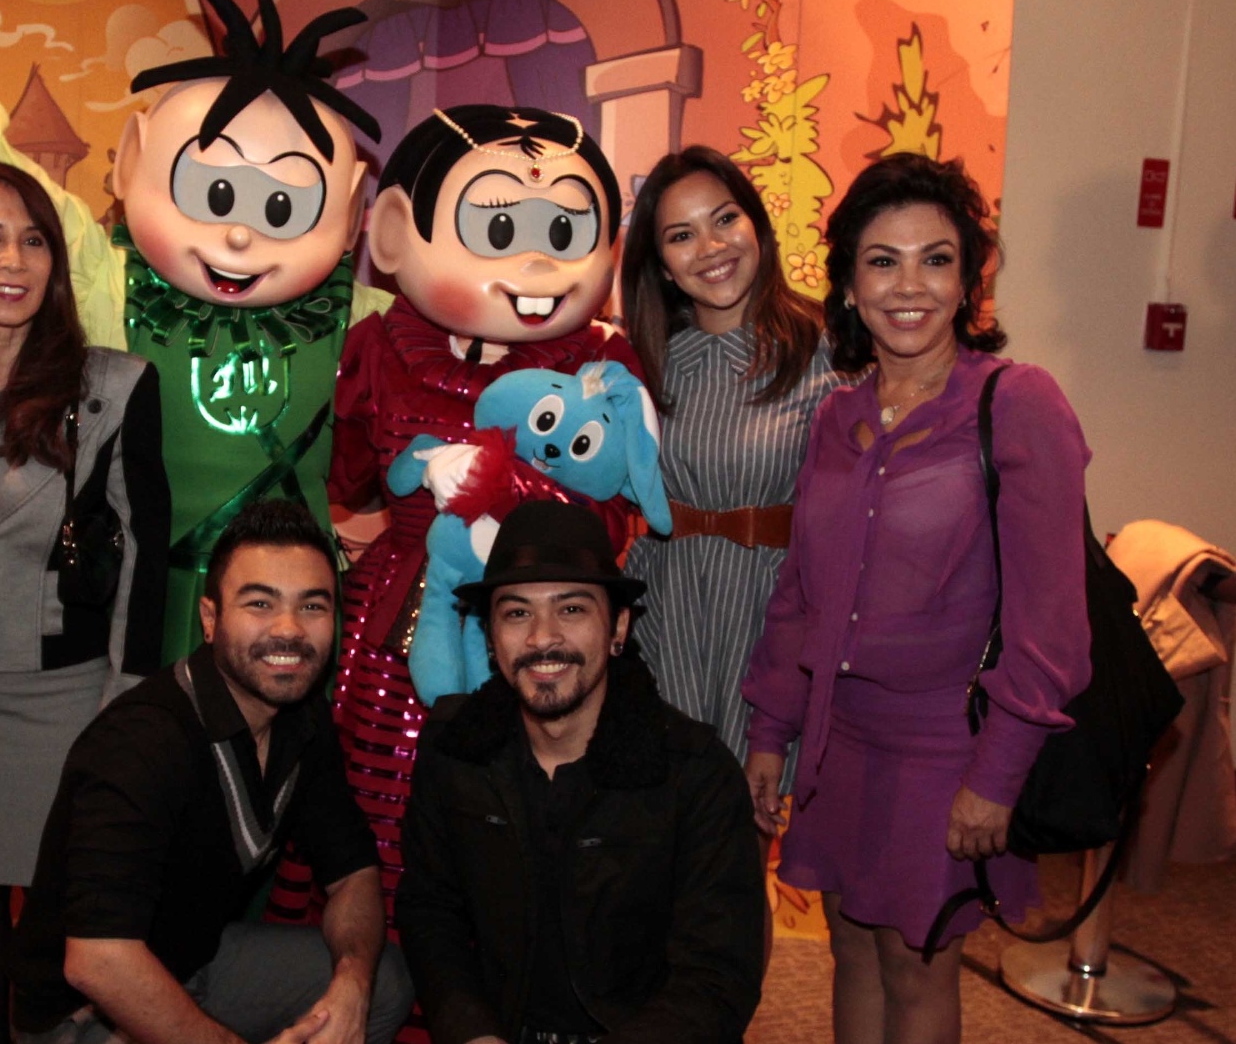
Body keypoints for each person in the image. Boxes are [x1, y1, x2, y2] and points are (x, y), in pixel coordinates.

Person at [0, 0, 393, 661]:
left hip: (292, 619)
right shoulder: (108, 284)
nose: (240, 235)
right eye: (215, 192)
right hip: (151, 605)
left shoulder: (361, 322)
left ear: (355, 214)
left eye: (280, 208)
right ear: (130, 161)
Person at [740, 153, 1092, 1043]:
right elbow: (799, 595)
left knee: (916, 963)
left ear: (969, 277)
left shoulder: (1016, 404)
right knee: (850, 948)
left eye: (936, 259)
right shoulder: (837, 416)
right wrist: (771, 735)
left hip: (946, 747)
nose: (910, 286)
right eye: (883, 260)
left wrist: (997, 776)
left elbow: (1053, 626)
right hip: (838, 737)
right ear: (849, 286)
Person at [271, 103, 644, 928]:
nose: (539, 258)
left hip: (541, 622)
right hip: (396, 609)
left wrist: (514, 493)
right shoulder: (378, 346)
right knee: (367, 792)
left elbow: (616, 516)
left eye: (566, 228)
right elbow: (351, 475)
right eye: (501, 223)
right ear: (397, 233)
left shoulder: (603, 362)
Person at [0, 162, 169, 1044]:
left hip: (67, 694)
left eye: (35, 238)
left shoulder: (113, 386)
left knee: (62, 898)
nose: (15, 259)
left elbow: (146, 552)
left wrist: (124, 696)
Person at [8, 499, 413, 1044]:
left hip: (194, 962)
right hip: (83, 1012)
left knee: (384, 981)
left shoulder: (301, 720)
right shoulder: (143, 740)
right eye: (260, 603)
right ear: (209, 619)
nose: (290, 630)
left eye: (313, 606)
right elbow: (96, 959)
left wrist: (351, 983)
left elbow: (354, 874)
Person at [396, 500, 765, 1044]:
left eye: (571, 610)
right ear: (492, 638)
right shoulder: (456, 752)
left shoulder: (695, 773)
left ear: (618, 627)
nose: (543, 637)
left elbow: (718, 973)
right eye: (517, 612)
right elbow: (430, 912)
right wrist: (471, 1031)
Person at [619, 146, 854, 759]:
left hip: (772, 618)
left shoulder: (828, 354)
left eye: (725, 219)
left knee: (748, 821)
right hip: (663, 612)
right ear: (663, 265)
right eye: (681, 235)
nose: (711, 247)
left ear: (757, 224)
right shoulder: (642, 364)